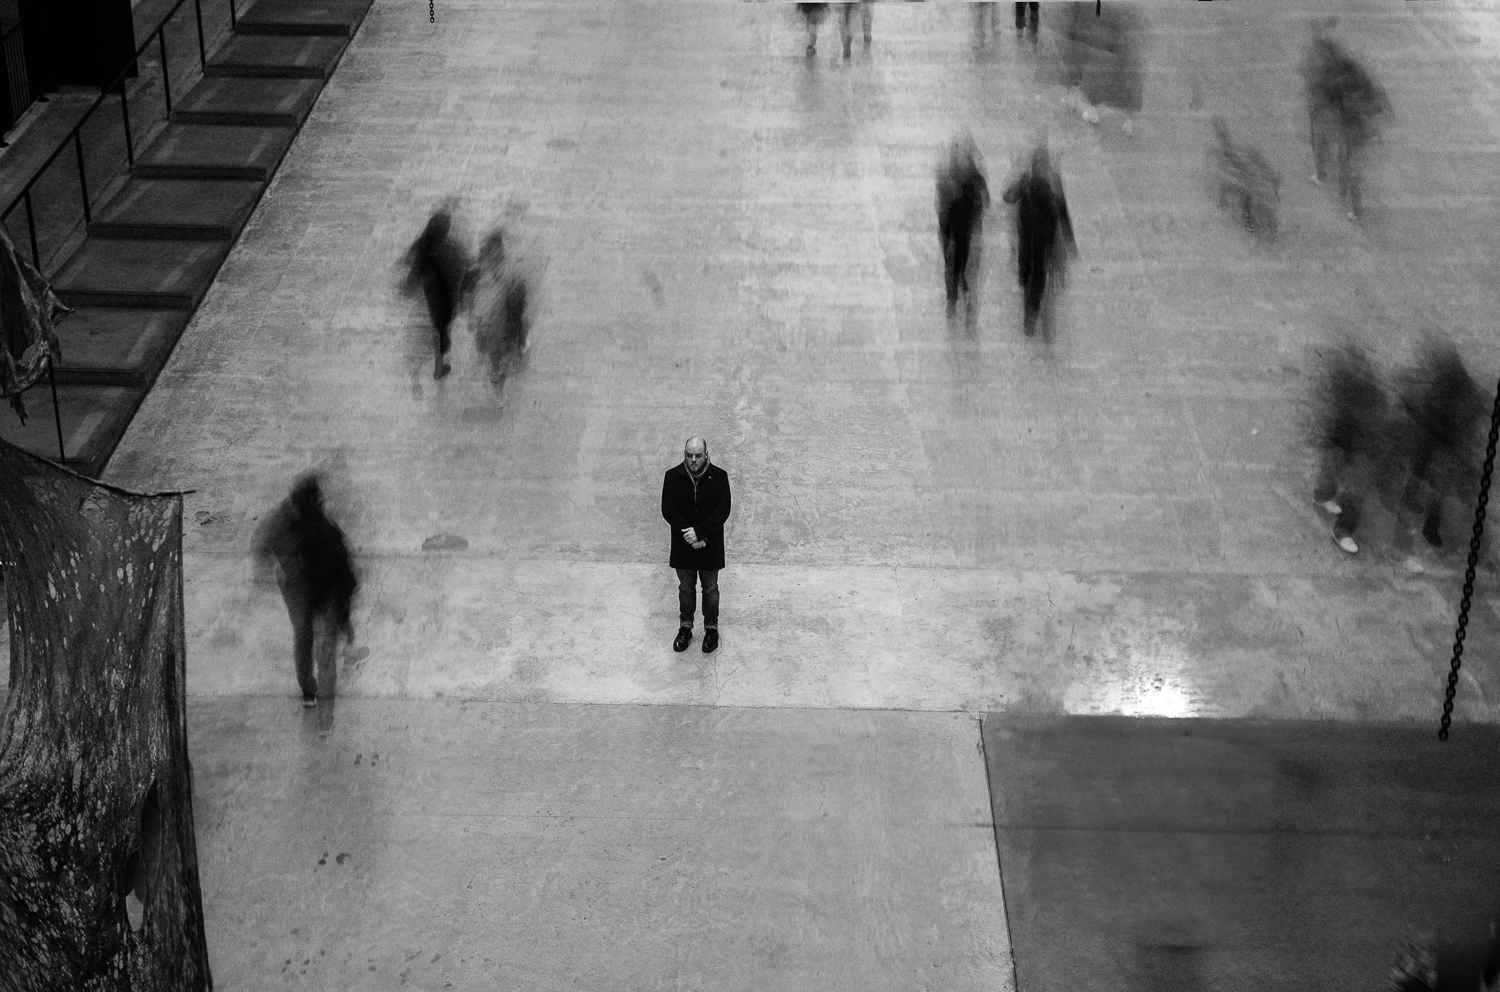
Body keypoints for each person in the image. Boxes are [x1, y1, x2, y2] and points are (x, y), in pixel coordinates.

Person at [252, 474, 358, 707]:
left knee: (307, 635)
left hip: (305, 585)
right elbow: (262, 542)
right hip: (300, 587)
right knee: (308, 634)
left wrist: (264, 568)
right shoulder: (291, 521)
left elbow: (262, 542)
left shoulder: (304, 521)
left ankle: (311, 689)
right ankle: (312, 689)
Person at [1394, 337, 1487, 551]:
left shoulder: (1457, 384)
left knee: (1438, 482)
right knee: (1424, 471)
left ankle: (1429, 521)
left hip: (1445, 439)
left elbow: (1470, 408)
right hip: (1435, 435)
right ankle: (1415, 505)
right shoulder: (1445, 383)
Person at [1302, 25, 1390, 220]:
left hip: (1347, 124)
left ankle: (1325, 178)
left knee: (1341, 157)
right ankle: (1344, 196)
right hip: (1355, 124)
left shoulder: (1331, 74)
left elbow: (1327, 96)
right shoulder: (1350, 68)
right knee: (1346, 160)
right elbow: (1369, 89)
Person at [1309, 340, 1389, 555]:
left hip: (1357, 446)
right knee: (1337, 478)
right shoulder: (1345, 387)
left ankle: (1342, 527)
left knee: (1355, 491)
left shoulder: (1370, 394)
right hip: (1343, 441)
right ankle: (1325, 500)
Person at [661, 437, 732, 654]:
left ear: (707, 454)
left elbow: (723, 510)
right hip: (684, 546)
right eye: (689, 455)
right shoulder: (672, 476)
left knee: (710, 589)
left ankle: (711, 629)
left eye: (698, 455)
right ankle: (685, 628)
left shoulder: (720, 477)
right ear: (684, 454)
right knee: (686, 589)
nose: (693, 460)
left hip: (710, 545)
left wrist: (700, 533)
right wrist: (690, 534)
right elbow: (668, 509)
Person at [1001, 144, 1078, 337]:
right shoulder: (1028, 183)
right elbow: (1008, 197)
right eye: (1042, 165)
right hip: (1028, 239)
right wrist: (1019, 180)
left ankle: (1032, 313)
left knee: (1038, 277)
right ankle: (1031, 309)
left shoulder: (1052, 185)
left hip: (1043, 242)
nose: (1045, 169)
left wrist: (1069, 240)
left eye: (1046, 164)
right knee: (1027, 277)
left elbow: (1062, 212)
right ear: (1036, 166)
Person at [402, 209, 472, 380]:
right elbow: (463, 270)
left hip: (433, 300)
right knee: (442, 331)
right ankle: (439, 366)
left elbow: (410, 279)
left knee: (440, 330)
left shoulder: (423, 249)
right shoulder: (446, 250)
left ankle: (439, 363)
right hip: (446, 300)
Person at [935, 135, 990, 325]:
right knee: (952, 268)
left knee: (966, 269)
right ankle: (952, 300)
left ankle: (965, 298)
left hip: (968, 233)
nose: (962, 162)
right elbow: (941, 207)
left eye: (965, 157)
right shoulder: (946, 179)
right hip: (951, 232)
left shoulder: (976, 180)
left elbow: (986, 202)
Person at [470, 227, 531, 393]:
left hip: (491, 314)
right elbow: (516, 287)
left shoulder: (483, 266)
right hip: (499, 312)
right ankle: (520, 346)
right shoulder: (503, 267)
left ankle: (496, 370)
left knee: (494, 344)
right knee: (521, 324)